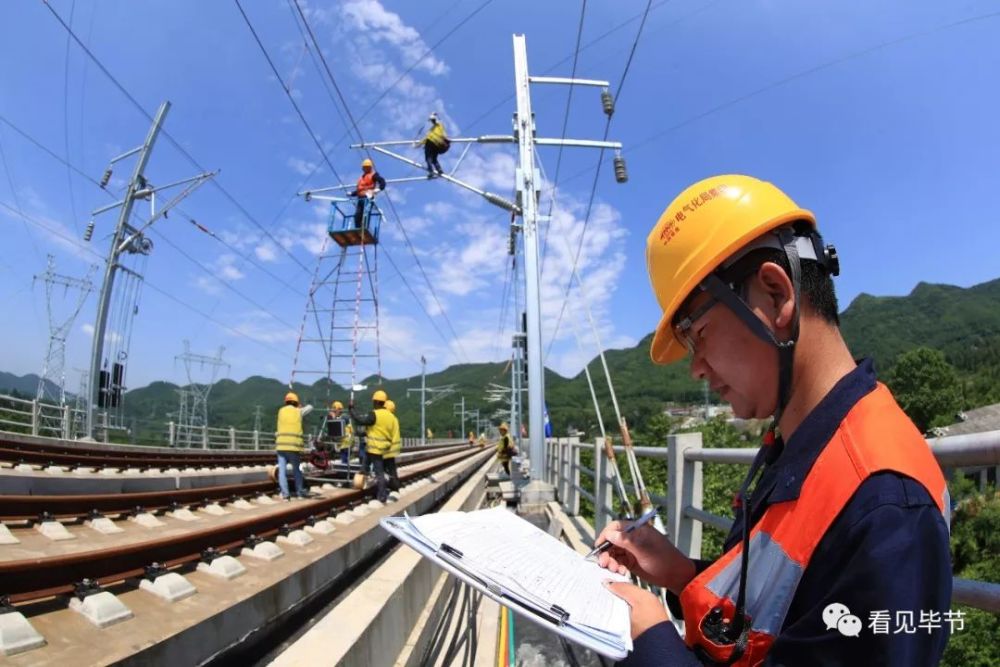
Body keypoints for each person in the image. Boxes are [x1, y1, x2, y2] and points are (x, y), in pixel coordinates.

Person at [596, 175, 951, 666]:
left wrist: (651, 637)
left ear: (775, 294)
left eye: (698, 335)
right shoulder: (802, 446)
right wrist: (681, 574)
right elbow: (784, 615)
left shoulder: (887, 508)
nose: (696, 366)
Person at [349, 389, 400, 503]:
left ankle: (382, 496)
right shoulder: (391, 417)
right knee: (366, 466)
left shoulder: (374, 414)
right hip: (384, 449)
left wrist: (351, 410)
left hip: (375, 449)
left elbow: (360, 420)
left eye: (374, 401)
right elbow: (376, 430)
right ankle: (362, 479)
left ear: (376, 402)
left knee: (379, 473)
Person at [274, 391, 314, 500]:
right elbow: (311, 407)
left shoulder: (280, 411)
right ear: (296, 402)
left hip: (281, 446)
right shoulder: (298, 411)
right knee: (296, 470)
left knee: (282, 471)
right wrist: (301, 407)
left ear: (286, 402)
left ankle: (285, 495)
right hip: (293, 447)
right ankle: (300, 492)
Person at [348, 158, 386, 228]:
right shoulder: (362, 178)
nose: (365, 169)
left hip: (368, 198)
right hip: (360, 199)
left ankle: (364, 229)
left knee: (365, 214)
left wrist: (379, 189)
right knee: (357, 215)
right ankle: (358, 229)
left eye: (366, 167)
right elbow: (360, 190)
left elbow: (382, 181)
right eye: (364, 167)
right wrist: (352, 193)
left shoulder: (373, 175)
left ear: (369, 167)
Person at [416, 113, 449, 177]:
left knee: (428, 158)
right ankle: (439, 170)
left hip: (431, 142)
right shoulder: (439, 126)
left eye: (432, 120)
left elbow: (426, 139)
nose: (432, 122)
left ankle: (431, 171)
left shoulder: (436, 127)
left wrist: (418, 145)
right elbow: (438, 120)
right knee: (434, 159)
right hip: (437, 144)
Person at [383, 399, 402, 494]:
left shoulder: (386, 419)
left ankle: (385, 488)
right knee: (392, 469)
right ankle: (395, 487)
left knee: (381, 469)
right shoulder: (395, 419)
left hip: (386, 448)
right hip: (393, 448)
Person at [327, 400, 353, 466]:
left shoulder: (344, 416)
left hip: (346, 441)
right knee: (344, 459)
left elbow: (338, 423)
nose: (334, 412)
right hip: (343, 442)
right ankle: (345, 469)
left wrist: (333, 417)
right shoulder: (340, 417)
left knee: (345, 460)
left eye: (334, 410)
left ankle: (345, 471)